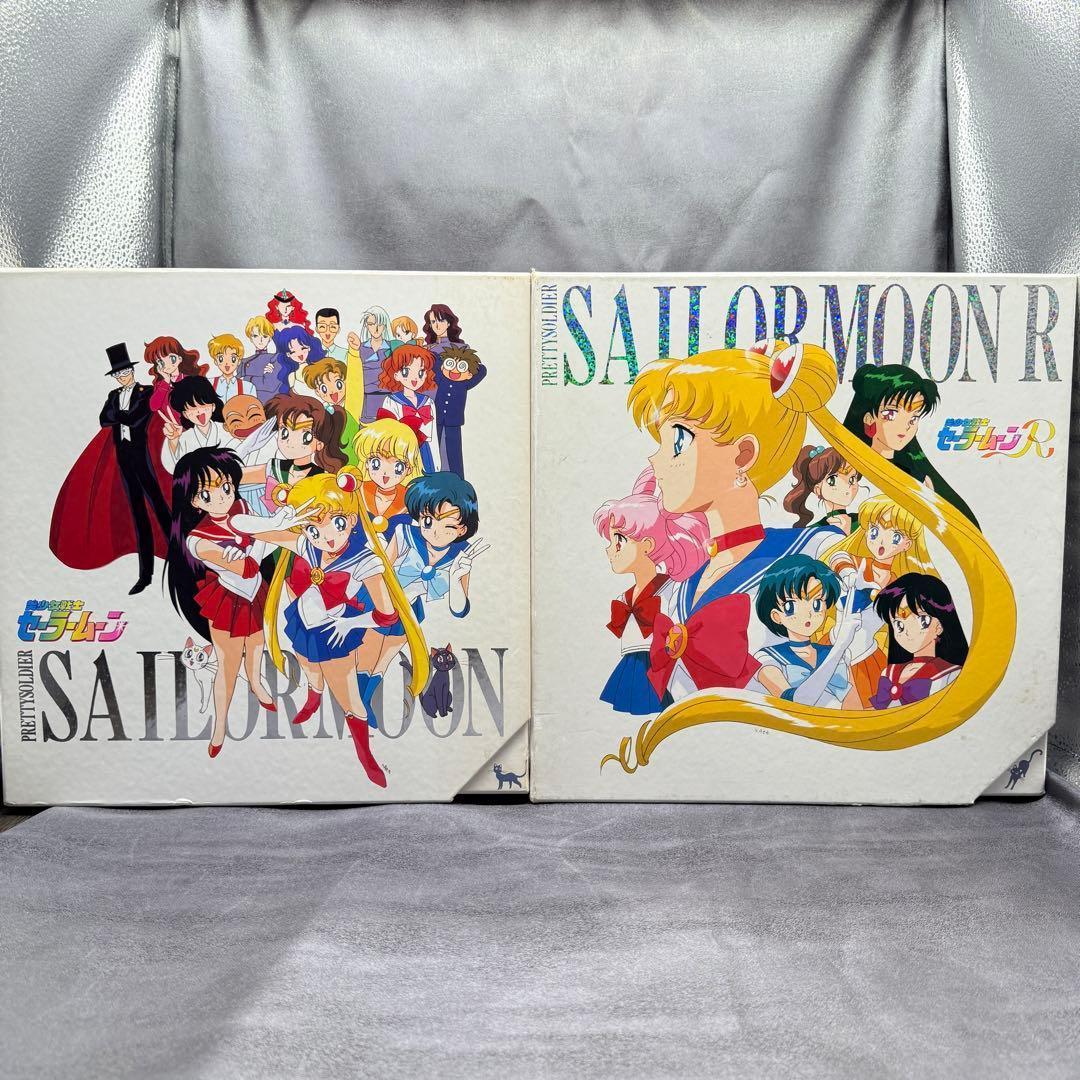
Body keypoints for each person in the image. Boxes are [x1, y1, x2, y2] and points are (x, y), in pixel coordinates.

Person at [600, 338, 1013, 774]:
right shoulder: (678, 585)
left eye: (678, 441)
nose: (656, 459)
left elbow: (872, 662)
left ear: (743, 454)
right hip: (697, 773)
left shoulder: (819, 552)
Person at [240, 469, 429, 785]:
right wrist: (279, 521)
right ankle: (314, 695)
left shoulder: (365, 560)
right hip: (304, 618)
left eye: (337, 523)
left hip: (335, 629)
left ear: (352, 519)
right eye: (314, 529)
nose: (327, 536)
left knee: (351, 701)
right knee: (307, 663)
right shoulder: (308, 545)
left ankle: (366, 757)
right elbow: (242, 527)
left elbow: (386, 616)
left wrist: (350, 622)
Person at [165, 447, 278, 758]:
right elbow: (246, 567)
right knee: (227, 666)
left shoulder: (242, 507)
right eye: (207, 493)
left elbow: (266, 537)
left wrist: (272, 528)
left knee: (256, 643)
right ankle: (219, 726)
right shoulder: (197, 540)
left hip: (254, 592)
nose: (221, 498)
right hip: (227, 598)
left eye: (226, 487)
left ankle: (256, 682)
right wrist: (266, 534)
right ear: (194, 500)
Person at [593, 469, 708, 716]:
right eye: (610, 542)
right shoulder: (624, 598)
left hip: (661, 671)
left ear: (647, 545)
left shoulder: (672, 590)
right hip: (629, 667)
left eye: (619, 541)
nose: (610, 550)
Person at [843, 363, 979, 527]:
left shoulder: (918, 479)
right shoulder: (848, 472)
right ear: (869, 418)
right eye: (891, 413)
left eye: (914, 418)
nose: (905, 425)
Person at [752, 555, 861, 709]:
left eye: (816, 603)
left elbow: (855, 711)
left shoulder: (839, 655)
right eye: (791, 606)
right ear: (776, 616)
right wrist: (839, 646)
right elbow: (794, 704)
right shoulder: (767, 658)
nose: (808, 613)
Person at [870, 573, 968, 709]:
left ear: (939, 626)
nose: (909, 631)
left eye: (923, 620)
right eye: (899, 625)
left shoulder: (950, 674)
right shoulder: (888, 673)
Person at [353, 417, 423, 536]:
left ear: (409, 469)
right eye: (376, 463)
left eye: (398, 466)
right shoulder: (359, 490)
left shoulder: (410, 500)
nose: (385, 473)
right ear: (367, 463)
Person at [376, 343, 440, 472]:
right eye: (406, 372)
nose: (415, 378)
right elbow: (388, 435)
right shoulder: (391, 402)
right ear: (396, 375)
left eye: (420, 372)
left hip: (426, 452)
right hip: (402, 452)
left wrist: (437, 462)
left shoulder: (428, 402)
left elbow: (433, 436)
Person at [159, 375, 237, 473]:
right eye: (192, 408)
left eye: (203, 406)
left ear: (213, 406)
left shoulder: (227, 430)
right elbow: (174, 468)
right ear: (185, 414)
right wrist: (173, 441)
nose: (199, 412)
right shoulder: (184, 438)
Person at [433, 346, 486, 478]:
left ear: (469, 374)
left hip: (454, 421)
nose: (454, 370)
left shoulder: (465, 383)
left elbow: (482, 370)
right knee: (434, 448)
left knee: (454, 451)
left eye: (461, 367)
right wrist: (443, 361)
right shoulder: (441, 378)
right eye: (450, 364)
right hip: (437, 419)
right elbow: (434, 360)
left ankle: (458, 479)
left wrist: (469, 364)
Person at [783, 445, 861, 533]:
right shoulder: (813, 532)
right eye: (832, 480)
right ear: (817, 489)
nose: (847, 487)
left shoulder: (864, 520)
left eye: (852, 479)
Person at [345, 306, 398, 423]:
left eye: (379, 324)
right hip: (365, 402)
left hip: (388, 400)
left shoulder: (393, 348)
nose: (376, 328)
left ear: (385, 325)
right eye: (371, 324)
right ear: (366, 326)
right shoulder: (360, 348)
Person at [302, 358, 358, 462]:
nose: (333, 392)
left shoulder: (353, 405)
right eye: (324, 388)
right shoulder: (323, 413)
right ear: (317, 392)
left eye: (338, 384)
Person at [242, 315, 290, 402]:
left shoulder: (275, 359)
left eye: (264, 336)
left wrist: (247, 378)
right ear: (250, 338)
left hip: (270, 403)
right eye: (255, 336)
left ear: (270, 338)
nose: (260, 340)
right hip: (250, 403)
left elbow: (269, 385)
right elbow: (239, 384)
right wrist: (261, 377)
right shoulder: (245, 361)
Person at [207, 333, 255, 402]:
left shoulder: (248, 387)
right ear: (215, 361)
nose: (227, 363)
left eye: (233, 359)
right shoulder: (208, 384)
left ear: (239, 361)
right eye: (221, 358)